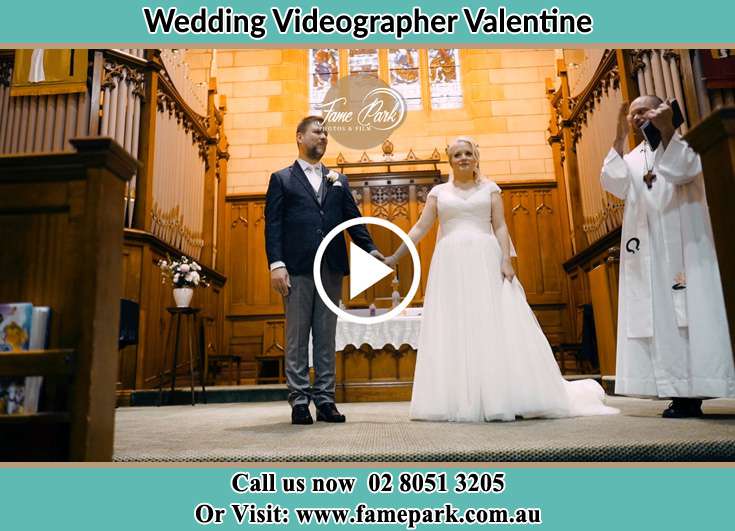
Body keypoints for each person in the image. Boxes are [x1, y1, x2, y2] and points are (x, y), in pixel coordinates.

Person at [385, 137, 618, 421]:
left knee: (490, 321)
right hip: (449, 263)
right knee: (457, 324)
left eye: (468, 153)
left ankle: (498, 394)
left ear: (476, 157)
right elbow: (421, 227)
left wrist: (506, 259)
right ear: (450, 160)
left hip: (485, 257)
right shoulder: (438, 193)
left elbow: (501, 225)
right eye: (457, 154)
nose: (463, 158)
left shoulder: (490, 189)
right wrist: (396, 257)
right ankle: (457, 397)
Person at [601, 96, 735, 418]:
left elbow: (681, 170)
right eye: (632, 113)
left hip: (685, 246)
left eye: (644, 110)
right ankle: (679, 391)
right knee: (662, 320)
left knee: (693, 313)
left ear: (664, 110)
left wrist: (667, 132)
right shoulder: (634, 157)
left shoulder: (688, 145)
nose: (637, 117)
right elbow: (613, 182)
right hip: (649, 251)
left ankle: (695, 388)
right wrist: (618, 136)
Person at [265, 115, 384, 425]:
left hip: (330, 267)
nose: (323, 137)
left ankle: (326, 400)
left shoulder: (338, 180)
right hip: (297, 267)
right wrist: (276, 264)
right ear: (299, 137)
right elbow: (273, 225)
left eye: (326, 133)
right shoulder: (282, 179)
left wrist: (370, 249)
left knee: (326, 336)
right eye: (317, 132)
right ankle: (299, 400)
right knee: (296, 336)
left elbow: (352, 220)